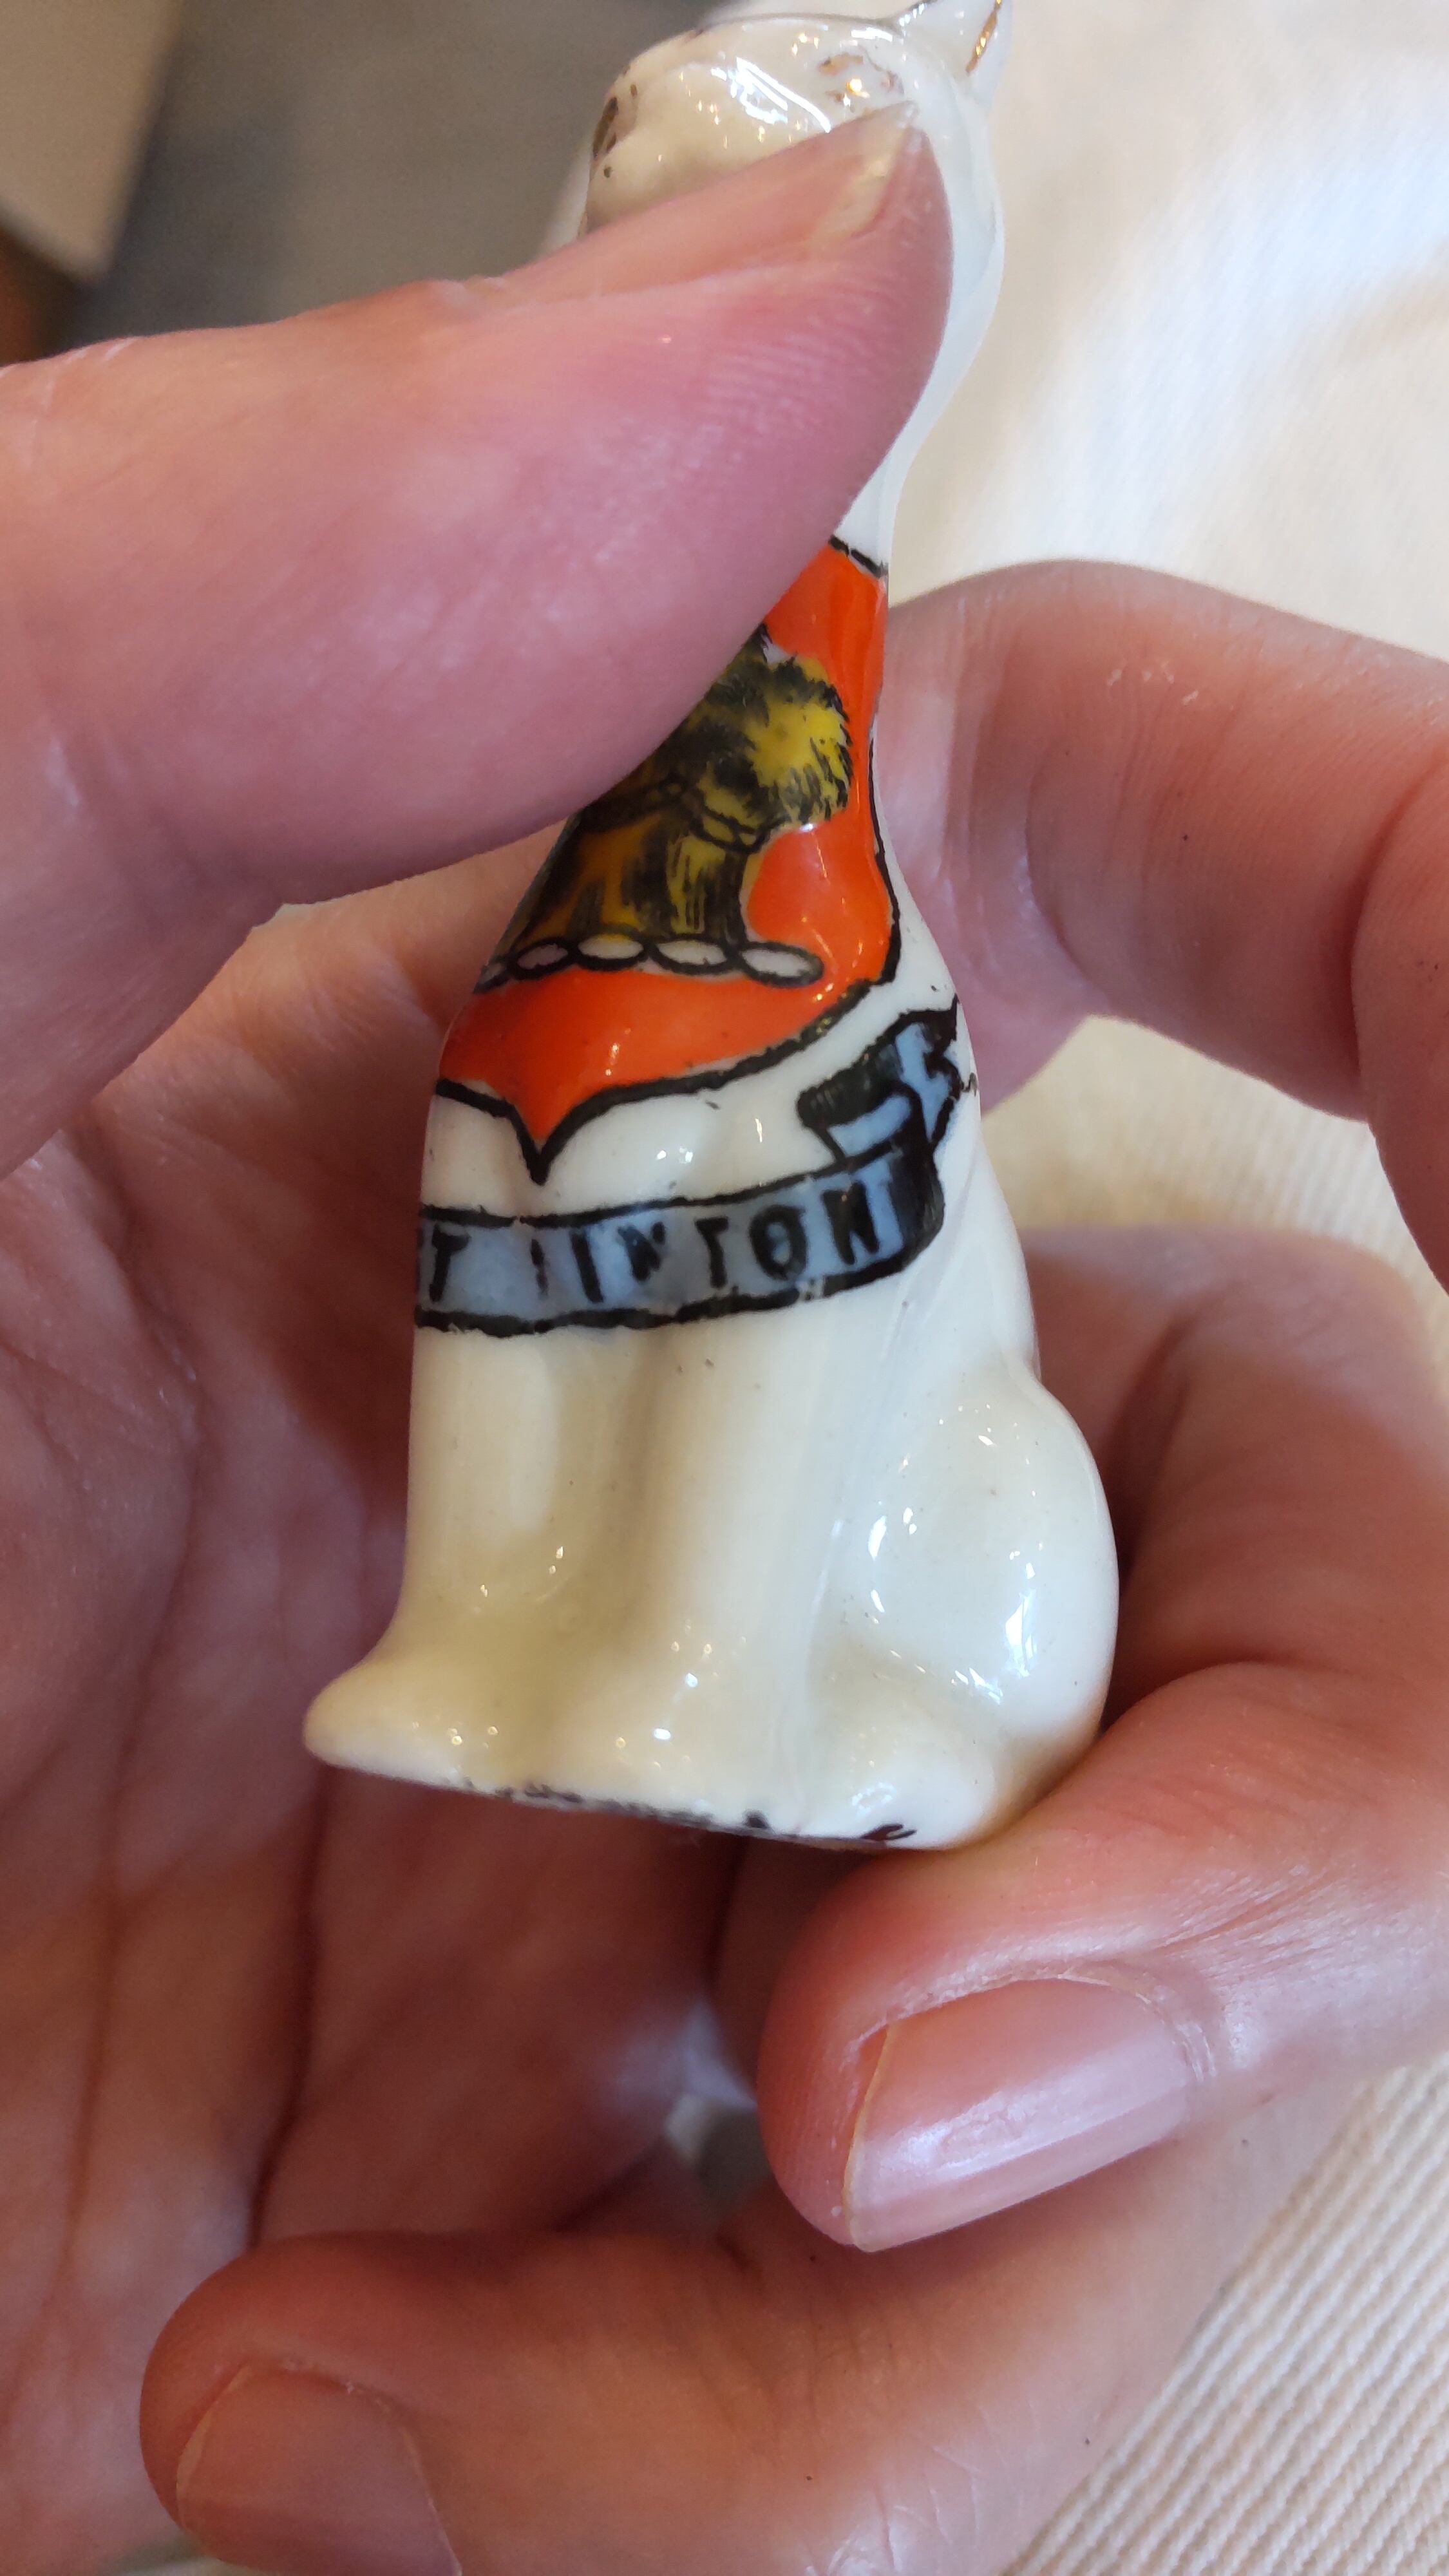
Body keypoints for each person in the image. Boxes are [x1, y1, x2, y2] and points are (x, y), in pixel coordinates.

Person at [1, 116, 1446, 2576]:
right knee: (530, 1255)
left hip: (911, 1576)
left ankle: (731, 1664)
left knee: (784, 1322)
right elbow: (501, 1291)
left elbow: (809, 1353)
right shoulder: (560, 918)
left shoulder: (828, 944)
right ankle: (504, 1629)